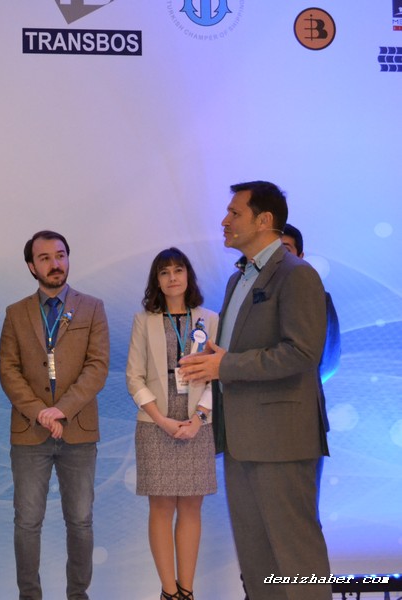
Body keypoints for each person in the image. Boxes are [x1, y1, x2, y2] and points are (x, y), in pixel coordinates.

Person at [180, 181, 331, 600]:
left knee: (297, 559)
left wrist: (225, 365)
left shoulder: (297, 274)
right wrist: (213, 359)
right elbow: (242, 350)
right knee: (256, 560)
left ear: (264, 221)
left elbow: (302, 352)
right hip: (241, 439)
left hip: (282, 439)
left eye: (235, 213)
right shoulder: (238, 279)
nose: (224, 221)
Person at [0, 230, 109, 600]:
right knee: (27, 522)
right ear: (32, 266)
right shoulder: (16, 313)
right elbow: (8, 370)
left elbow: (97, 367)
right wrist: (40, 413)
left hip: (78, 431)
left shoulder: (92, 307)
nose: (55, 263)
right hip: (30, 432)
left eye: (60, 255)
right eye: (44, 258)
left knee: (80, 521)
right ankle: (29, 595)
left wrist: (62, 410)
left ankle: (78, 594)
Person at [125, 248, 219, 600]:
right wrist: (161, 420)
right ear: (157, 281)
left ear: (188, 275)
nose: (172, 277)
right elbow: (134, 377)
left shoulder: (210, 319)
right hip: (155, 423)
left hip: (198, 423)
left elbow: (218, 376)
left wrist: (199, 418)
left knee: (192, 508)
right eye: (164, 272)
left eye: (178, 270)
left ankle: (187, 591)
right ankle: (169, 592)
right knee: (161, 508)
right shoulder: (143, 321)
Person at [280, 224, 341, 385]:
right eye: (272, 251)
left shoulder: (318, 298)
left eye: (286, 250)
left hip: (300, 392)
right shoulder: (247, 293)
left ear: (300, 256)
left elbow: (330, 359)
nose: (277, 257)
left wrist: (307, 387)